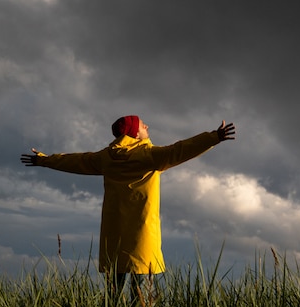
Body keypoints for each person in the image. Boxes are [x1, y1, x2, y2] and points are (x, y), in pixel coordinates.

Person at [20, 115, 236, 293]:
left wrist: (44, 160)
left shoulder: (106, 157)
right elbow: (179, 150)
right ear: (135, 133)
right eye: (143, 125)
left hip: (114, 232)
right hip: (141, 232)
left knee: (113, 289)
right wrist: (213, 137)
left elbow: (76, 160)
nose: (147, 126)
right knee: (140, 291)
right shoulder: (148, 156)